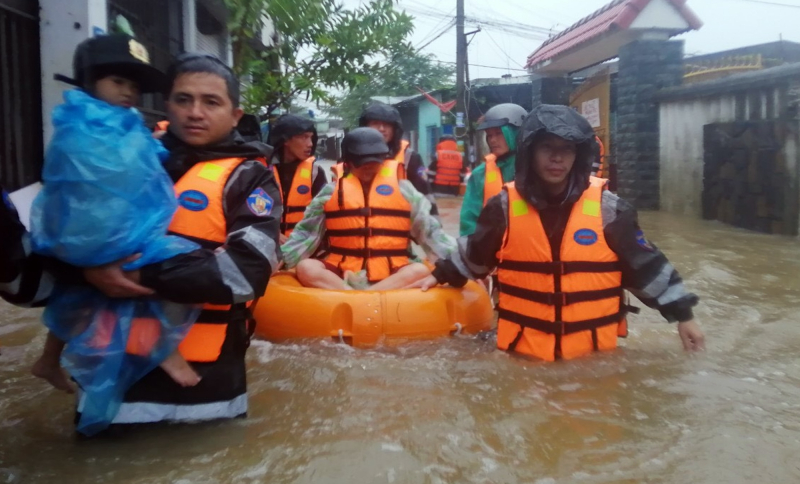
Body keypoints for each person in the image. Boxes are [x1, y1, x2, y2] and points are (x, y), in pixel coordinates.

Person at [76, 51, 282, 426]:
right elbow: (70, 238)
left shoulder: (251, 177)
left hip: (203, 385)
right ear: (167, 104)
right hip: (108, 378)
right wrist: (83, 267)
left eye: (211, 102)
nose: (195, 112)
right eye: (183, 99)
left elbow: (248, 271)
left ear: (235, 115)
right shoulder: (125, 158)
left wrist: (136, 275)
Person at [417, 104, 705, 362]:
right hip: (522, 358)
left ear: (577, 155)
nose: (557, 158)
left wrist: (684, 316)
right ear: (530, 152)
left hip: (594, 361)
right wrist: (439, 274)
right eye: (547, 148)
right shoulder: (502, 208)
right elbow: (475, 255)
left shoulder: (609, 210)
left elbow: (646, 267)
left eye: (566, 149)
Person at [29, 34, 201, 398]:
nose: (128, 93)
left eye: (134, 86)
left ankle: (49, 359)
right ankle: (163, 347)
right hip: (89, 232)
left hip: (85, 234)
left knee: (76, 295)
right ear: (91, 83)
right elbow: (84, 178)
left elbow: (138, 170)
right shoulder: (81, 127)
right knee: (174, 259)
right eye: (118, 82)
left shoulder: (122, 124)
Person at [282, 127, 456, 290]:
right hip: (342, 270)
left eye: (374, 162)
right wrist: (277, 261)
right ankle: (355, 296)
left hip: (393, 272)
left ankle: (367, 297)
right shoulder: (330, 192)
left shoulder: (405, 190)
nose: (369, 168)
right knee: (307, 267)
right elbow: (306, 234)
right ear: (349, 162)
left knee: (419, 270)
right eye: (362, 163)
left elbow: (430, 233)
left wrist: (459, 263)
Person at [334, 102, 439, 216]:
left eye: (387, 125)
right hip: (354, 223)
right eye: (375, 123)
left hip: (397, 225)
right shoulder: (350, 157)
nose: (382, 129)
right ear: (365, 127)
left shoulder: (410, 158)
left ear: (395, 129)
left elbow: (426, 198)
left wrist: (435, 229)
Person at [460, 103, 527, 236]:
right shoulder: (480, 174)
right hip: (492, 252)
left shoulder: (536, 168)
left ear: (516, 133)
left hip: (528, 250)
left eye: (498, 133)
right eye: (489, 135)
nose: (493, 140)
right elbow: (469, 221)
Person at [267, 114, 328, 241]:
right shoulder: (261, 170)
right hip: (264, 242)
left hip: (301, 246)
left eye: (311, 138)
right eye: (304, 137)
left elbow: (322, 217)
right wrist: (273, 234)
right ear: (286, 140)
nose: (310, 144)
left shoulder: (315, 172)